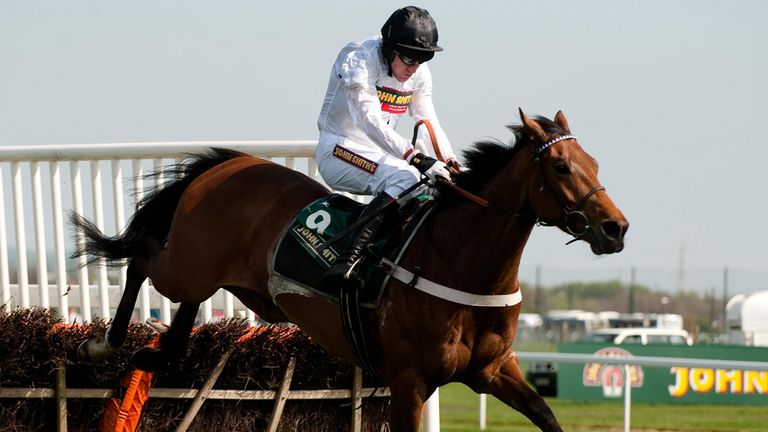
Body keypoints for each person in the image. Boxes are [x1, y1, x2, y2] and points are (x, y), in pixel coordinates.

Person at [316, 6, 457, 286]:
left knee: (433, 186)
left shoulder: (418, 73)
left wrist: (449, 161)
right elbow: (368, 120)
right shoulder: (359, 58)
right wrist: (415, 157)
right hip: (338, 149)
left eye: (422, 60)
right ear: (389, 48)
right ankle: (347, 260)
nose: (413, 68)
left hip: (379, 154)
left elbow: (428, 121)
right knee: (406, 177)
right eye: (408, 59)